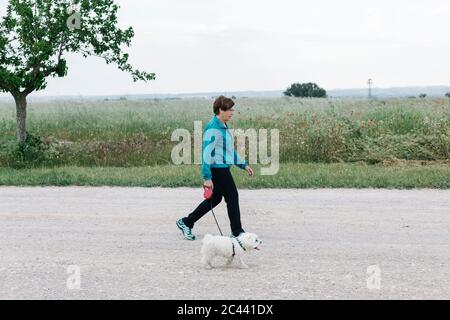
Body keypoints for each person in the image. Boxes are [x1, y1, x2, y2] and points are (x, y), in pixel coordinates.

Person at [176, 96, 254, 240]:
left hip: (222, 167)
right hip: (218, 169)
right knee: (232, 197)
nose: (232, 112)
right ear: (220, 110)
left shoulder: (222, 126)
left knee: (216, 199)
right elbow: (206, 153)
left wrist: (244, 164)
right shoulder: (213, 127)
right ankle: (237, 232)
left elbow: (229, 151)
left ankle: (186, 222)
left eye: (232, 109)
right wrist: (207, 177)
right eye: (229, 109)